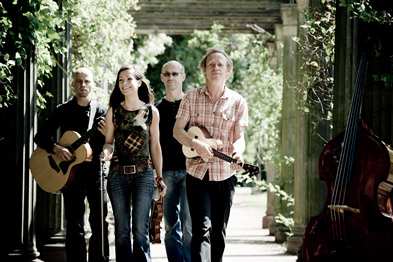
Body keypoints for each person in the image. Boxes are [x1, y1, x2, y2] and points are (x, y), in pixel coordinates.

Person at [173, 48, 248, 262]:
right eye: (211, 64)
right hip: (197, 173)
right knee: (201, 230)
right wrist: (195, 143)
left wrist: (237, 153)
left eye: (220, 65)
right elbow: (177, 131)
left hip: (224, 174)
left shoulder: (238, 101)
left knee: (218, 232)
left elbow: (239, 137)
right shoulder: (191, 97)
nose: (216, 67)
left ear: (228, 71)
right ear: (204, 70)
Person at [34, 67, 109, 261]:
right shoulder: (63, 110)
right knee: (74, 224)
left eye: (86, 81)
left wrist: (102, 149)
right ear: (73, 84)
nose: (83, 84)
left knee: (99, 222)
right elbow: (40, 137)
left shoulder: (102, 112)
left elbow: (109, 144)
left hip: (95, 174)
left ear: (92, 84)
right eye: (79, 81)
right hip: (70, 175)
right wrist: (57, 149)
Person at [102, 64, 167, 262]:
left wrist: (160, 176)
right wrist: (106, 152)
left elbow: (155, 146)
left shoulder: (151, 111)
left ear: (139, 82)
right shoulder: (113, 111)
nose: (124, 84)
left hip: (144, 175)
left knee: (140, 229)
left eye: (129, 79)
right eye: (121, 80)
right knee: (122, 230)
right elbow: (108, 142)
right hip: (117, 175)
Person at [155, 60, 192, 262]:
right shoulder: (155, 109)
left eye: (175, 74)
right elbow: (153, 144)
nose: (171, 78)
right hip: (166, 173)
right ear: (162, 77)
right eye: (167, 74)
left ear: (182, 76)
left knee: (189, 225)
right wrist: (156, 173)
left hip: (189, 171)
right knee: (170, 226)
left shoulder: (192, 105)